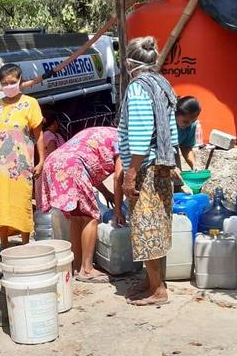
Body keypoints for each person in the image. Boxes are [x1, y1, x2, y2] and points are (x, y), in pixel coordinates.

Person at [117, 37, 181, 306]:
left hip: (146, 168)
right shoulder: (162, 84)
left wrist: (131, 173)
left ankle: (158, 290)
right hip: (162, 165)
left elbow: (141, 136)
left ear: (129, 62)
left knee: (147, 228)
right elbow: (173, 133)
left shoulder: (138, 88)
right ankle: (152, 280)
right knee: (156, 226)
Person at [38, 126, 119, 282]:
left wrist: (105, 193)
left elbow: (88, 169)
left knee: (78, 216)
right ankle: (87, 269)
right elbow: (118, 177)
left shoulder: (102, 132)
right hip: (72, 166)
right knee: (91, 217)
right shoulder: (123, 141)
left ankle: (76, 265)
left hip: (55, 162)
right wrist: (118, 211)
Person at [0, 64, 45, 249]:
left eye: (12, 82)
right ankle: (4, 246)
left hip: (20, 166)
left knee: (21, 202)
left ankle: (25, 245)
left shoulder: (30, 103)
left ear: (20, 81)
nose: (8, 85)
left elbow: (38, 134)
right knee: (1, 205)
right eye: (4, 83)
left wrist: (42, 160)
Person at [174, 96, 202, 170]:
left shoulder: (191, 125)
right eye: (185, 121)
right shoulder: (164, 123)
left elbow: (186, 147)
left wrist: (193, 165)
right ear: (175, 114)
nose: (189, 124)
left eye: (192, 121)